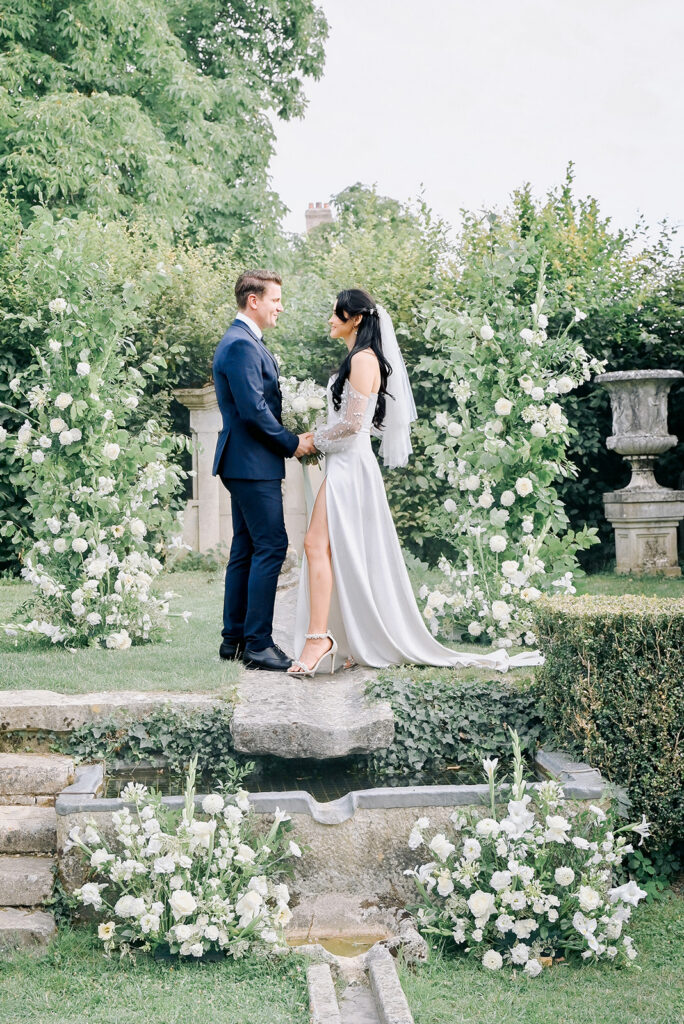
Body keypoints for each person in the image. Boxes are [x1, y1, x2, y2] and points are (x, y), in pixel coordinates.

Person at [289, 288, 543, 675]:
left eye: (336, 313)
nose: (330, 319)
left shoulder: (363, 359)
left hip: (350, 468)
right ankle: (344, 637)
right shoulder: (358, 358)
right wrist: (317, 438)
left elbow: (354, 425)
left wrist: (312, 440)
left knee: (317, 545)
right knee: (338, 551)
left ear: (356, 318)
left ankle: (320, 639)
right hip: (344, 465)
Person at [212, 269, 315, 672]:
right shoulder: (240, 345)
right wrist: (292, 443)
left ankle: (233, 640)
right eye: (275, 299)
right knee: (271, 545)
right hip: (251, 463)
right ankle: (258, 643)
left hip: (245, 462)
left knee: (247, 547)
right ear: (253, 300)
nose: (280, 306)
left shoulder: (245, 342)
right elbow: (254, 410)